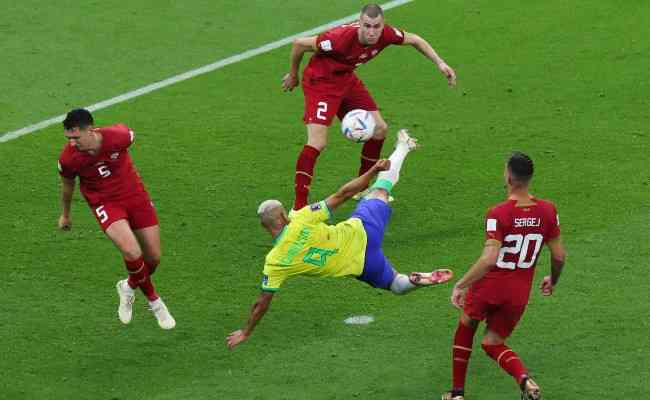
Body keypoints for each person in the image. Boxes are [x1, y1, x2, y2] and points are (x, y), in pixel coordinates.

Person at [227, 129, 452, 349]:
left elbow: (262, 303)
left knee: (396, 285)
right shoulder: (301, 218)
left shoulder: (275, 263)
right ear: (284, 216)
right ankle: (403, 146)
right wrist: (373, 169)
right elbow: (342, 194)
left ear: (264, 226)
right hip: (363, 229)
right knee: (381, 189)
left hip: (362, 264)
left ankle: (413, 281)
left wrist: (246, 331)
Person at [282, 3, 457, 210]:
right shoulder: (337, 38)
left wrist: (440, 63)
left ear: (382, 25)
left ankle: (362, 187)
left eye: (376, 26)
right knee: (318, 142)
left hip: (346, 79)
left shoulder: (387, 35)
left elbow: (415, 39)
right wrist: (293, 75)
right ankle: (298, 207)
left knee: (379, 129)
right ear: (360, 24)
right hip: (321, 82)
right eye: (367, 26)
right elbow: (299, 44)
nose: (372, 32)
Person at [441, 152, 567, 400]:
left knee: (466, 327)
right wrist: (553, 280)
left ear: (509, 177)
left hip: (490, 286)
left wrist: (461, 284)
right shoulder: (548, 210)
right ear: (529, 178)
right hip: (518, 294)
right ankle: (524, 380)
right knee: (491, 343)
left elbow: (489, 260)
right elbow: (559, 256)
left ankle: (457, 394)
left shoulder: (498, 213)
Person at [57, 108, 175, 330]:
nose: (72, 143)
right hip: (105, 203)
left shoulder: (118, 137)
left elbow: (131, 134)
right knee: (132, 252)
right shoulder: (68, 159)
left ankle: (127, 286)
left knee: (153, 258)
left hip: (135, 196)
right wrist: (65, 214)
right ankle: (155, 302)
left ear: (90, 130)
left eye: (75, 137)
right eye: (68, 138)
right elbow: (67, 185)